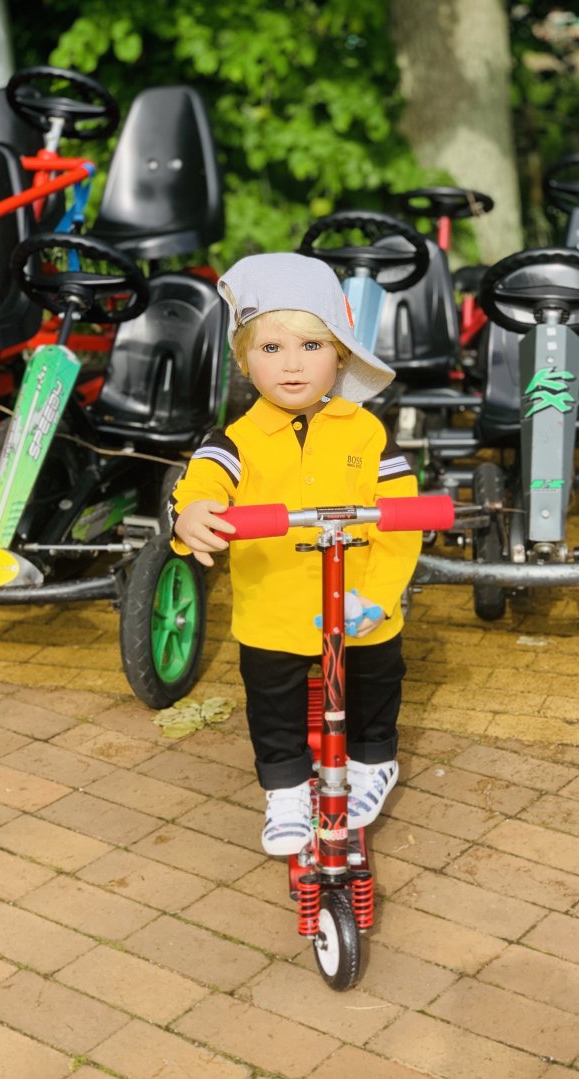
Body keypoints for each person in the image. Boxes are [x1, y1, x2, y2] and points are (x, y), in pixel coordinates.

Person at [170, 251, 421, 856]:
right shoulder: (235, 440)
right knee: (272, 698)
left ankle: (373, 762)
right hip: (275, 610)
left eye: (310, 347)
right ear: (244, 359)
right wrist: (194, 512)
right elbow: (204, 482)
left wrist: (380, 596)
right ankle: (283, 787)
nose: (291, 366)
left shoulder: (366, 432)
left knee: (376, 678)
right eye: (271, 349)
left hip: (360, 603)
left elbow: (402, 517)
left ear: (340, 356)